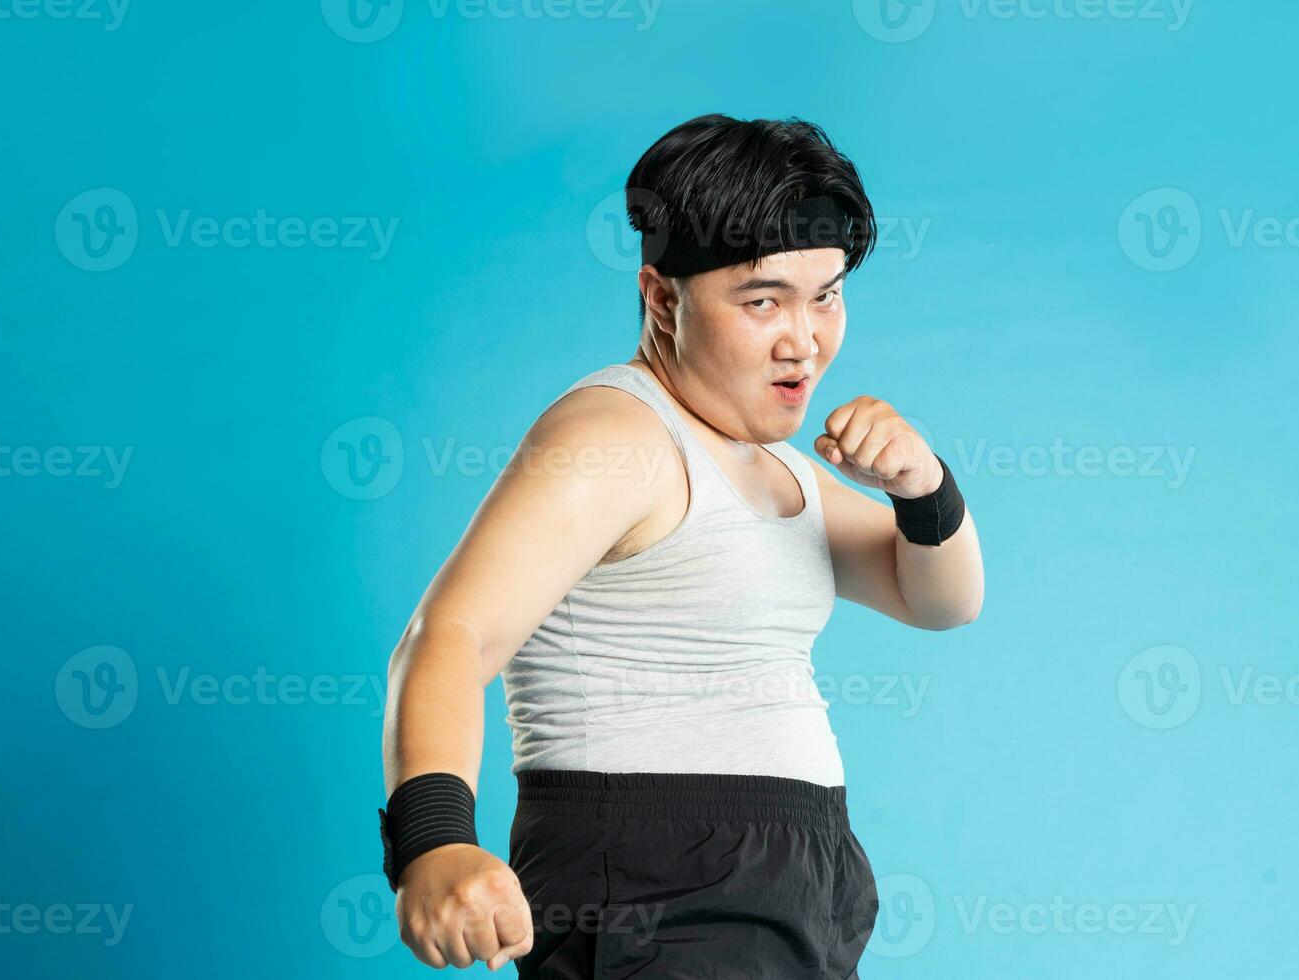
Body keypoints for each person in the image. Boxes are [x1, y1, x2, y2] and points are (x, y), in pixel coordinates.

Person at [378, 113, 985, 977]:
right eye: (763, 300)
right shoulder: (617, 435)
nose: (804, 339)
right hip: (658, 877)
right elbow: (448, 636)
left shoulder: (781, 470)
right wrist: (433, 844)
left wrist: (924, 489)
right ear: (662, 298)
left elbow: (942, 600)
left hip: (795, 884)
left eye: (828, 294)